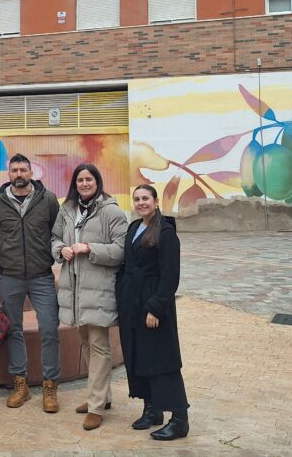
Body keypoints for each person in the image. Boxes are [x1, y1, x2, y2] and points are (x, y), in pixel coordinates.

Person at [0, 153, 62, 412]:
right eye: (14, 170)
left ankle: (50, 386)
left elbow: (56, 232)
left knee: (49, 329)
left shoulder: (48, 200)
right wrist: (2, 257)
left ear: (31, 173)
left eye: (23, 170)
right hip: (10, 276)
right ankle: (21, 384)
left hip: (41, 275)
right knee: (13, 329)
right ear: (9, 174)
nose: (19, 174)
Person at [51, 163, 126, 431]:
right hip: (75, 290)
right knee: (85, 341)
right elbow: (55, 238)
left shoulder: (111, 211)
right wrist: (61, 250)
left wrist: (89, 248)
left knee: (99, 345)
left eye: (89, 179)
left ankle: (95, 406)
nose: (84, 183)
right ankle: (102, 397)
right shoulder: (67, 210)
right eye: (80, 180)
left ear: (97, 181)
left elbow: (121, 250)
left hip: (99, 287)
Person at [115, 184, 190, 441]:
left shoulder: (166, 232)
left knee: (162, 362)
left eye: (145, 198)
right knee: (140, 357)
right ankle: (152, 409)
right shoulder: (134, 228)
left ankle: (179, 419)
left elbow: (170, 276)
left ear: (156, 202)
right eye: (136, 199)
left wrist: (155, 308)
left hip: (153, 307)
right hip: (131, 305)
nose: (140, 203)